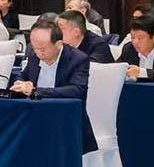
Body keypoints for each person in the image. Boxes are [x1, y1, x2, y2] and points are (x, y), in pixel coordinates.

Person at [10, 21, 97, 152]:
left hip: (64, 120)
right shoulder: (34, 55)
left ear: (58, 44)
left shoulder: (78, 59)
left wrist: (35, 91)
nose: (38, 53)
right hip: (34, 117)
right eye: (34, 47)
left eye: (42, 49)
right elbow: (22, 76)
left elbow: (76, 90)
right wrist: (21, 84)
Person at [120, 14, 154, 81]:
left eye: (140, 38)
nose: (135, 42)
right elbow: (116, 68)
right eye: (132, 37)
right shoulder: (128, 49)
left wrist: (143, 73)